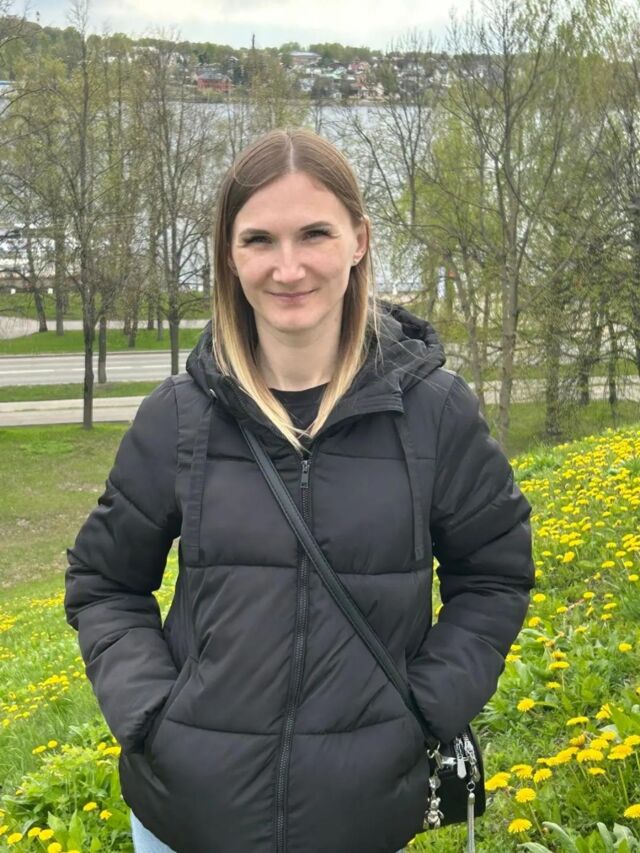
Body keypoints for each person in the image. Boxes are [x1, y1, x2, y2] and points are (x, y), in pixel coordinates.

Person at [64, 128, 535, 853]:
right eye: (259, 240)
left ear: (358, 241)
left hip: (360, 818)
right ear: (230, 255)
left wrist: (420, 712)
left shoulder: (435, 412)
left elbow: (495, 576)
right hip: (184, 815)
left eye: (314, 233)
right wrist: (154, 718)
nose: (288, 268)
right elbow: (104, 582)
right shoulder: (179, 417)